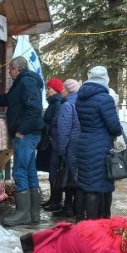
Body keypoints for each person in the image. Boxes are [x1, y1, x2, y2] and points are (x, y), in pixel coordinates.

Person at [0, 56, 45, 226]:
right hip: (29, 134)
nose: (9, 73)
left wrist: (21, 130)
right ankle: (33, 214)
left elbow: (34, 109)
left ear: (15, 69)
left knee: (19, 171)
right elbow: (7, 99)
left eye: (10, 70)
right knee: (29, 171)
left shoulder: (25, 82)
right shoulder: (23, 82)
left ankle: (23, 213)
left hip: (25, 135)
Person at [73, 66, 124, 220]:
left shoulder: (80, 97)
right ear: (104, 79)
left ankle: (80, 219)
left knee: (83, 184)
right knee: (95, 186)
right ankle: (94, 224)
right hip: (100, 146)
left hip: (83, 143)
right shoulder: (105, 99)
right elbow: (114, 126)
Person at [50, 79, 82, 219]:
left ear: (67, 90)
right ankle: (77, 207)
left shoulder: (68, 105)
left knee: (69, 177)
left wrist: (61, 150)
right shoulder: (81, 102)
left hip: (70, 146)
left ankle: (68, 207)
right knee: (77, 176)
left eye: (63, 88)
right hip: (81, 145)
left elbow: (64, 130)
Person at [37, 78, 66, 209]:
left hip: (53, 142)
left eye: (49, 88)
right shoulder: (53, 103)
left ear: (56, 90)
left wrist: (42, 125)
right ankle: (53, 199)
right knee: (52, 172)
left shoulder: (57, 103)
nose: (47, 91)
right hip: (50, 142)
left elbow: (56, 124)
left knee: (55, 172)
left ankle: (56, 200)